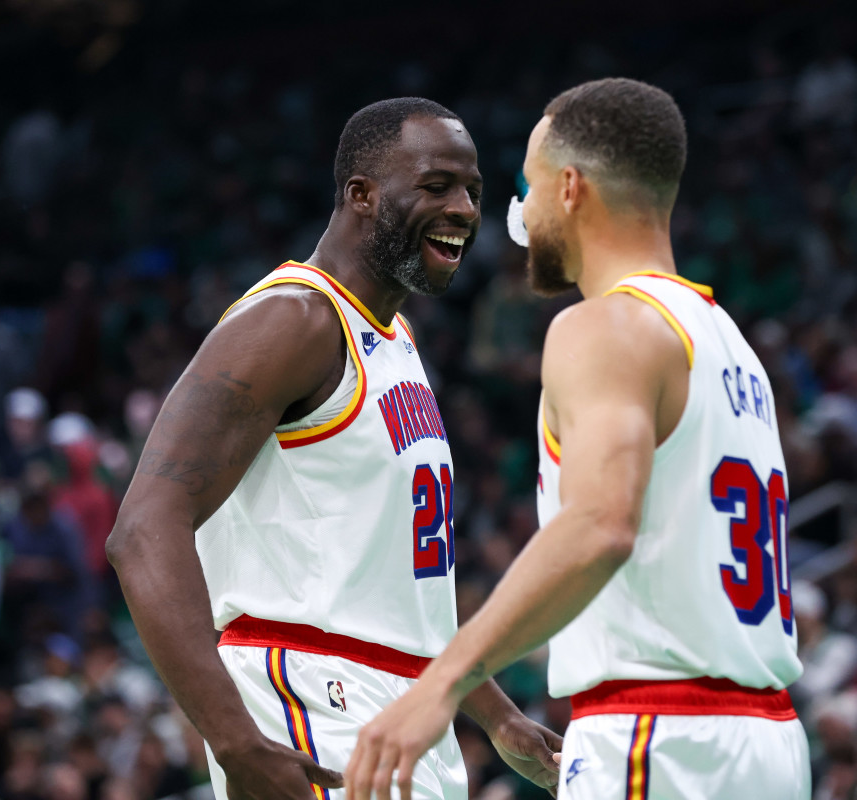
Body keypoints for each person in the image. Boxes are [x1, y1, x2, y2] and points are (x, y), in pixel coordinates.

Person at [345, 78, 809, 799]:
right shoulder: (726, 340)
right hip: (770, 742)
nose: (517, 213)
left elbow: (600, 524)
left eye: (526, 188)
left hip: (658, 736)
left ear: (569, 188)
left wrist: (441, 683)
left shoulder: (602, 326)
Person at [105, 98, 561, 800]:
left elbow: (400, 585)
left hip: (407, 715)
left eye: (472, 189)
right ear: (362, 195)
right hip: (315, 705)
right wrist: (233, 740)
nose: (466, 208)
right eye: (437, 185)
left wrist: (499, 718)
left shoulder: (396, 340)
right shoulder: (292, 320)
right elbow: (142, 529)